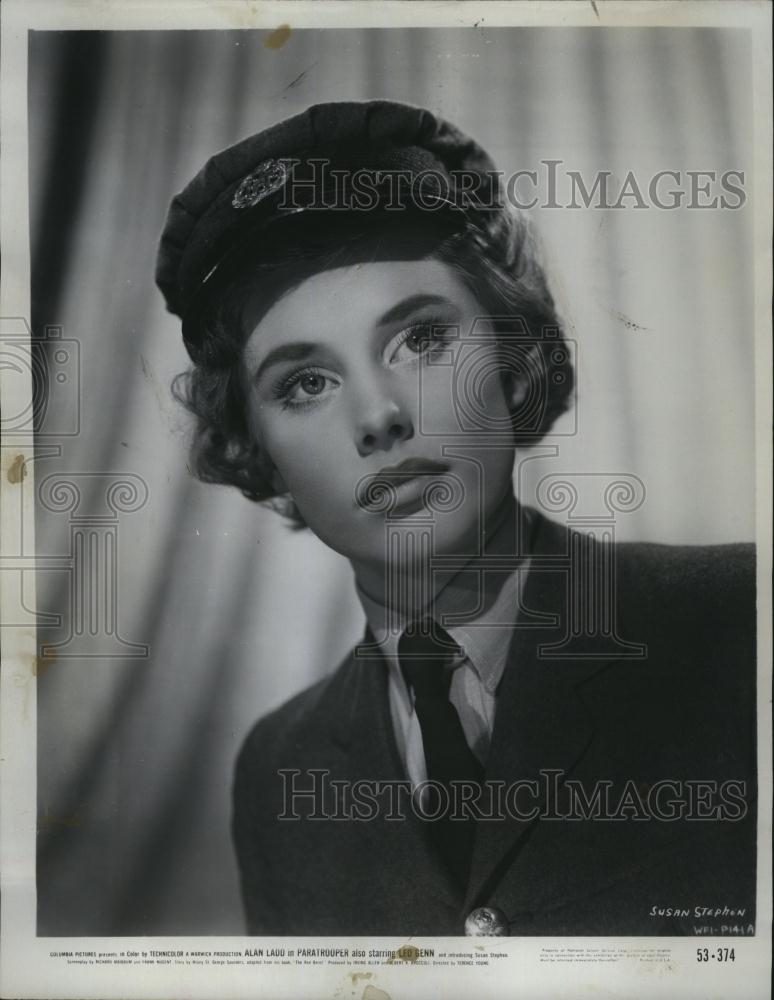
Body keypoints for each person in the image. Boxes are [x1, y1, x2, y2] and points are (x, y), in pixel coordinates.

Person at [155, 100, 757, 937]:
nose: (379, 417)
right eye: (306, 383)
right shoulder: (278, 768)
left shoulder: (737, 623)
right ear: (259, 455)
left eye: (421, 340)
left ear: (514, 364)